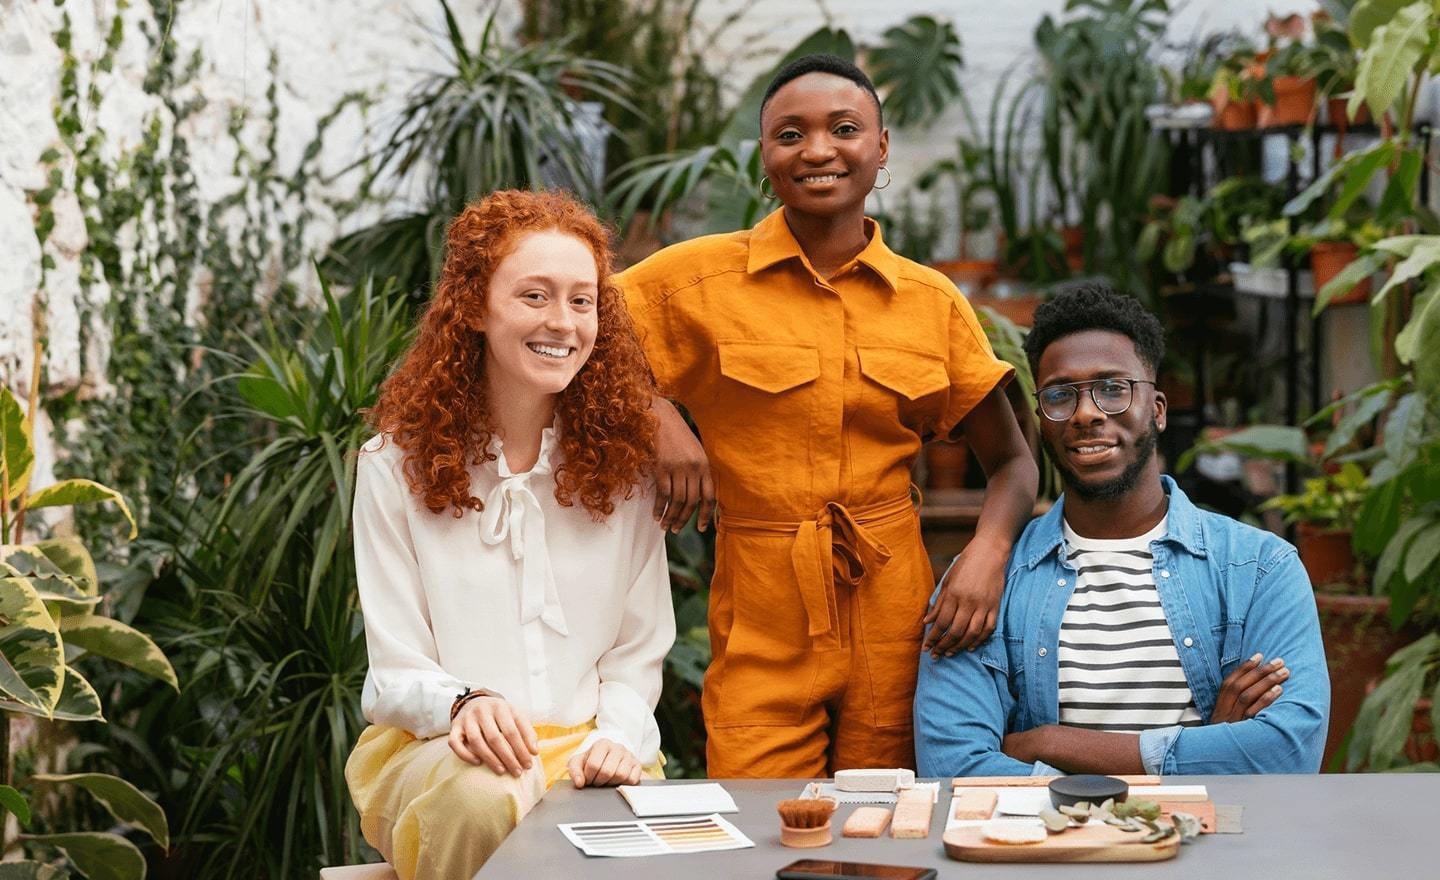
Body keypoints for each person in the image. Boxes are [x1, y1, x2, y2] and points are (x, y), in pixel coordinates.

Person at [616, 54, 1038, 777]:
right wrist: (654, 413)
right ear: (764, 156)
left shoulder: (931, 301)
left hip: (897, 601)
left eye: (844, 129)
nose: (817, 150)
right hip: (761, 597)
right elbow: (574, 329)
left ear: (880, 148)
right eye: (789, 134)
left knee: (893, 817)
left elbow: (1012, 463)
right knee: (760, 819)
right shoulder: (697, 280)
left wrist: (986, 557)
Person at [344, 190, 675, 878]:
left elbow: (639, 650)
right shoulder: (392, 468)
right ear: (474, 304)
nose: (563, 322)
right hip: (440, 755)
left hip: (591, 749)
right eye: (534, 295)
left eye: (582, 301)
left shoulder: (626, 472)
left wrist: (617, 739)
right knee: (483, 796)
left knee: (612, 822)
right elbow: (394, 671)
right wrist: (465, 702)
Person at [915, 281, 1330, 777]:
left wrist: (1047, 744)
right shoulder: (983, 587)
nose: (1087, 413)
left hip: (1215, 853)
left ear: (1157, 410)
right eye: (1060, 395)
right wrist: (1204, 751)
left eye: (1113, 389)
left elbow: (1285, 752)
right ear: (1042, 418)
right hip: (1045, 855)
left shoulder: (1260, 568)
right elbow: (954, 768)